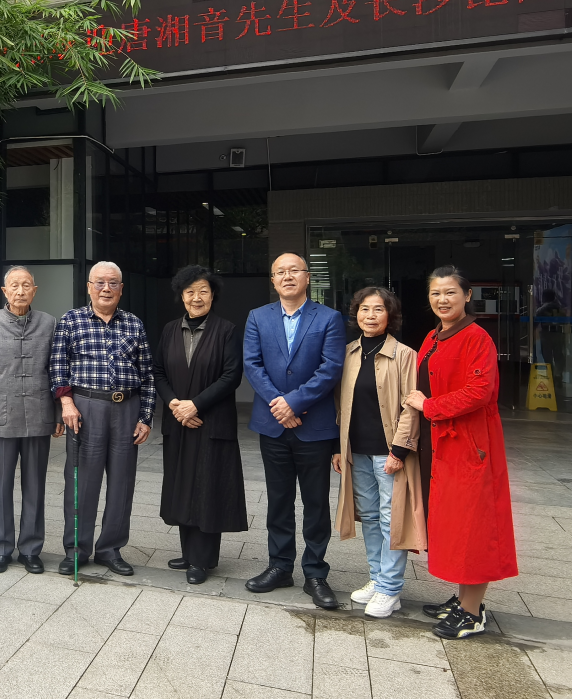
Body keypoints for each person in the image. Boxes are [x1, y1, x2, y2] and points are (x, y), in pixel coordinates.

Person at [404, 266, 517, 639]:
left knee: (473, 528)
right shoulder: (433, 336)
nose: (442, 299)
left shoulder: (476, 338)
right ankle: (463, 599)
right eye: (436, 293)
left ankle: (472, 612)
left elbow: (479, 391)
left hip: (470, 446)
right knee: (453, 525)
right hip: (440, 445)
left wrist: (429, 406)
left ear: (467, 296)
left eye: (450, 292)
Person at [243, 252, 345, 609]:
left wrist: (295, 403)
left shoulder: (329, 318)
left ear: (307, 277)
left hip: (314, 426)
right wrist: (280, 405)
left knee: (316, 503)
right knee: (279, 500)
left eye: (294, 271)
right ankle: (280, 566)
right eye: (280, 272)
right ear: (273, 280)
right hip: (273, 425)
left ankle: (315, 573)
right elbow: (252, 365)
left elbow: (331, 368)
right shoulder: (257, 317)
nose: (287, 277)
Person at [49, 261, 155, 577]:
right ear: (89, 287)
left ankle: (110, 549)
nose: (106, 288)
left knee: (122, 483)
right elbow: (57, 366)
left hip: (126, 409)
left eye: (113, 283)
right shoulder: (71, 321)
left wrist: (146, 417)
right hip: (85, 408)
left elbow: (148, 374)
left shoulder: (134, 324)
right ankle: (76, 550)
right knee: (82, 482)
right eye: (99, 282)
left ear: (121, 289)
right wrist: (66, 403)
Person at [331, 287, 425, 618]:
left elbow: (411, 406)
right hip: (356, 450)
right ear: (355, 314)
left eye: (378, 309)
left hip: (389, 453)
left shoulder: (405, 355)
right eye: (364, 309)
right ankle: (377, 578)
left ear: (390, 315)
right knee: (370, 517)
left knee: (391, 520)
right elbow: (339, 404)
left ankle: (390, 588)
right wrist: (338, 448)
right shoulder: (348, 352)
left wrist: (400, 449)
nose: (370, 315)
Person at [154, 266, 246, 586]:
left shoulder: (226, 330)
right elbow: (158, 372)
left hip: (211, 421)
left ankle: (202, 559)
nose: (197, 298)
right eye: (190, 292)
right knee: (182, 485)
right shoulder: (169, 330)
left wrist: (196, 405)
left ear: (213, 295)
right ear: (181, 296)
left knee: (207, 487)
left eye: (203, 291)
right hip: (178, 420)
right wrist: (174, 404)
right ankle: (188, 552)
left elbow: (231, 376)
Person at [0, 266, 63, 574]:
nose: (20, 291)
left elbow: (56, 371)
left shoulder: (49, 323)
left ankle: (31, 549)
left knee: (35, 486)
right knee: (0, 486)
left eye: (26, 285)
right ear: (4, 291)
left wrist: (58, 413)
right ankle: (0, 548)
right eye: (14, 285)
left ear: (34, 290)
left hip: (39, 415)